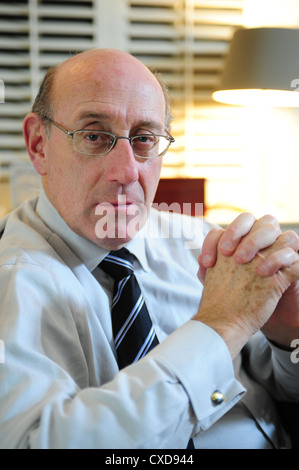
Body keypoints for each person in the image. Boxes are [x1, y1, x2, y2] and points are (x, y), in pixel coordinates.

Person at [0, 48, 298, 450]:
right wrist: (220, 328)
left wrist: (286, 336)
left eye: (144, 139)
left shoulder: (200, 241)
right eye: (93, 135)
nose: (127, 172)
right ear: (39, 144)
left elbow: (283, 383)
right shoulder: (14, 283)